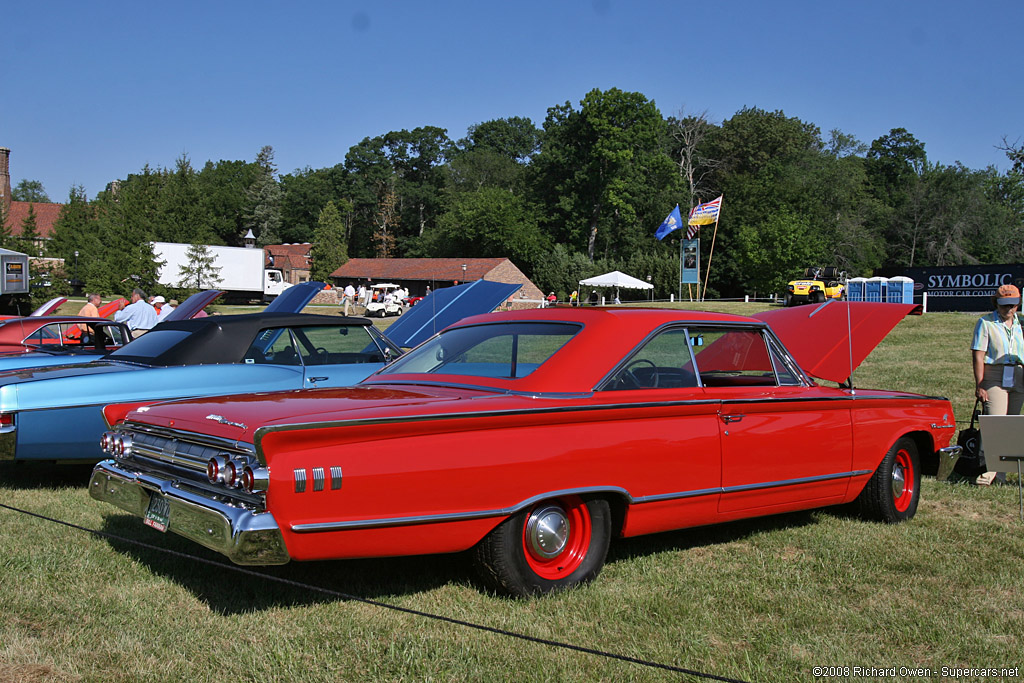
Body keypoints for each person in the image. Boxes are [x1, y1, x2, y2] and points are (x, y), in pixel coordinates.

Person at [971, 283, 1024, 485]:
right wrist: (980, 384)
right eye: (1004, 305)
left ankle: (1001, 474)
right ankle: (989, 471)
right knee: (995, 422)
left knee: (1011, 424)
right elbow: (978, 355)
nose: (1008, 309)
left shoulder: (1021, 324)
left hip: (1018, 373)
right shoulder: (985, 323)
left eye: (1012, 305)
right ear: (996, 303)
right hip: (994, 374)